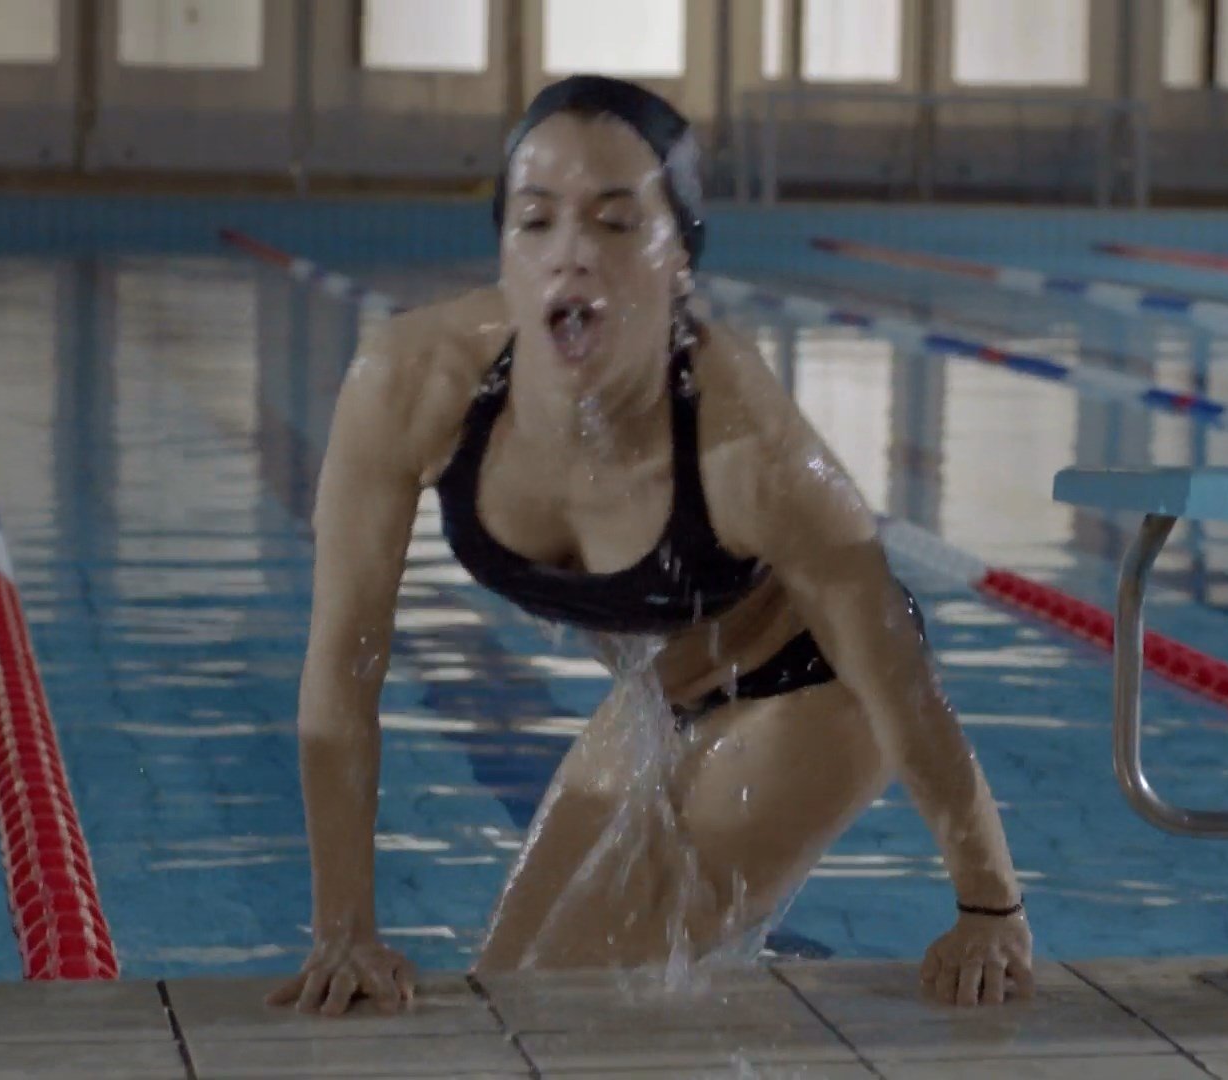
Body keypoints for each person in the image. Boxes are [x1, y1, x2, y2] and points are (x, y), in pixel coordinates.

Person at [268, 74, 1032, 1017]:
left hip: (816, 694)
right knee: (503, 988)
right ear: (504, 252)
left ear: (680, 262)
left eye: (618, 222)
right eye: (536, 220)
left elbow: (900, 683)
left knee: (557, 1005)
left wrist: (990, 906)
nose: (572, 252)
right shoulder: (410, 387)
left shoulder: (749, 450)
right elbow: (342, 674)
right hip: (659, 696)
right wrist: (343, 931)